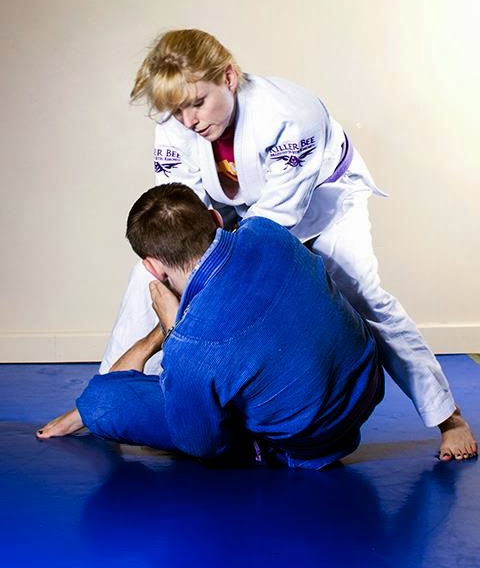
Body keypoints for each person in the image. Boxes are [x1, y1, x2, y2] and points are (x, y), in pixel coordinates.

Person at [99, 29, 476, 461]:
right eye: (177, 109)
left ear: (228, 77)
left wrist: (208, 283)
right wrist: (178, 268)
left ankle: (449, 418)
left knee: (365, 298)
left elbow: (270, 233)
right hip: (236, 208)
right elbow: (181, 215)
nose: (189, 121)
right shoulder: (177, 122)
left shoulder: (291, 114)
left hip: (321, 204)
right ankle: (110, 392)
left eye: (197, 103)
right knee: (155, 268)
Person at [37, 183, 387, 469]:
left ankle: (262, 449)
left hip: (308, 443)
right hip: (366, 390)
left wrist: (173, 333)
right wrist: (174, 329)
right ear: (216, 218)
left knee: (101, 401)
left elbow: (202, 444)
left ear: (152, 268)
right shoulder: (267, 232)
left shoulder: (193, 346)